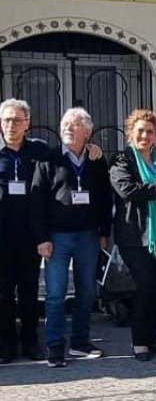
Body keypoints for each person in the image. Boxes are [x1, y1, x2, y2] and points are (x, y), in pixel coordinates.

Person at [32, 108, 112, 367]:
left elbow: (104, 197)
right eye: (65, 123)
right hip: (57, 237)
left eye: (74, 124)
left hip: (88, 236)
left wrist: (104, 232)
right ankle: (55, 346)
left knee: (87, 292)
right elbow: (37, 199)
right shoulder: (49, 158)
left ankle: (80, 342)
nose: (67, 127)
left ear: (86, 132)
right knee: (55, 294)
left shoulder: (96, 159)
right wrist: (42, 237)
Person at [109, 109, 156, 361]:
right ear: (131, 132)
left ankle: (151, 338)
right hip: (135, 237)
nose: (145, 136)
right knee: (145, 286)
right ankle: (139, 342)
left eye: (150, 132)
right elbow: (127, 190)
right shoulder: (121, 159)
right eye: (140, 131)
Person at [0, 98, 49, 363]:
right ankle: (6, 344)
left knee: (30, 290)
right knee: (3, 292)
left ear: (27, 124)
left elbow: (68, 159)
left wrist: (92, 150)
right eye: (6, 120)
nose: (11, 125)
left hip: (31, 235)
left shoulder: (39, 151)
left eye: (17, 120)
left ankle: (30, 341)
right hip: (2, 236)